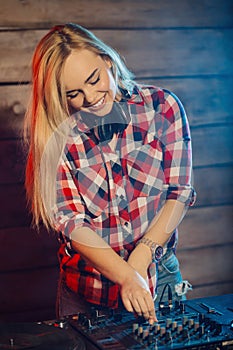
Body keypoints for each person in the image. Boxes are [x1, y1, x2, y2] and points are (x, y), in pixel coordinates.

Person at [24, 23, 195, 324]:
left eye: (94, 80)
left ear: (107, 60)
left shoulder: (162, 108)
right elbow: (73, 224)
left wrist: (142, 256)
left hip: (161, 277)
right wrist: (126, 276)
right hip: (86, 291)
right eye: (74, 93)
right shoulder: (55, 139)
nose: (90, 98)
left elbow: (178, 193)